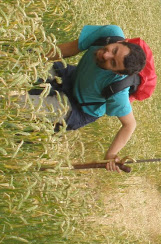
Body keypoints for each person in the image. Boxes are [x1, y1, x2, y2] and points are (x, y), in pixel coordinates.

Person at [36, 25, 147, 172]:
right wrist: (34, 60)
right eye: (114, 50)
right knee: (29, 62)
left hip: (78, 108)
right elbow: (69, 49)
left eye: (113, 63)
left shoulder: (118, 89)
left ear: (118, 73)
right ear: (121, 42)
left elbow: (130, 125)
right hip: (71, 77)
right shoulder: (110, 34)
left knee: (24, 104)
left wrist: (111, 154)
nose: (106, 56)